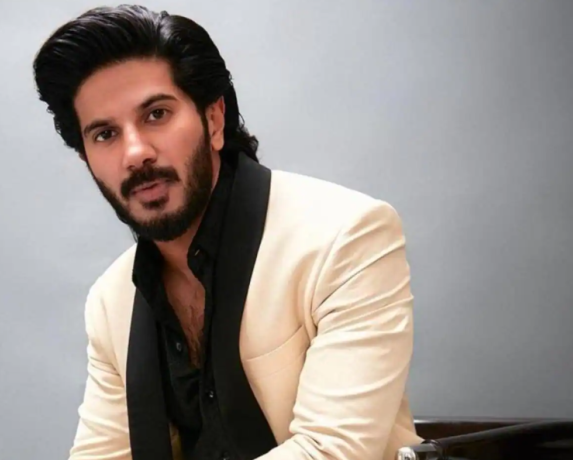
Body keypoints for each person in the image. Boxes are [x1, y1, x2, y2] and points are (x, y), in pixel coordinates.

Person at [32, 5, 421, 460]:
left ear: (214, 120)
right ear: (86, 159)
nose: (135, 153)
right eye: (104, 135)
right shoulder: (110, 300)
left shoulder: (345, 237)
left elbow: (333, 450)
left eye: (156, 114)